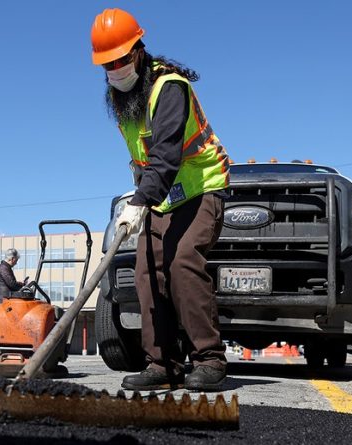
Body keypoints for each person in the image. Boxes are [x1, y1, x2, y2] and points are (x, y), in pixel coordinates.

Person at [91, 9, 231, 391]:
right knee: (146, 273)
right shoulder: (125, 102)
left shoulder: (169, 88)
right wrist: (142, 200)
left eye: (121, 59)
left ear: (138, 51)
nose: (115, 69)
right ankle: (162, 365)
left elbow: (167, 154)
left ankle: (210, 359)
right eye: (107, 64)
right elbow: (143, 159)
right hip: (162, 198)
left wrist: (139, 201)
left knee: (184, 262)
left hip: (201, 188)